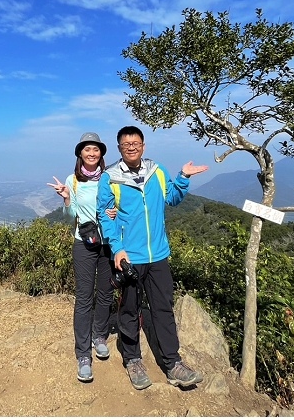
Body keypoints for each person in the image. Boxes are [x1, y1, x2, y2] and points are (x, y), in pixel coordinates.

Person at [96, 125, 209, 390]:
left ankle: (172, 363)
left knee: (163, 308)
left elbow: (172, 199)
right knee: (129, 309)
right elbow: (105, 214)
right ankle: (133, 359)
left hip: (158, 254)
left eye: (136, 143)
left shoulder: (157, 171)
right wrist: (117, 248)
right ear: (120, 148)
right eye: (126, 144)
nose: (131, 147)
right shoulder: (110, 178)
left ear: (143, 145)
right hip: (130, 257)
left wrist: (182, 177)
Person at [47, 132, 117, 383]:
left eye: (96, 149)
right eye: (87, 149)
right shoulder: (72, 180)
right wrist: (66, 198)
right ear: (80, 153)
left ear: (101, 154)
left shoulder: (111, 178)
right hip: (84, 243)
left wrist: (115, 212)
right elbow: (71, 216)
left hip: (109, 242)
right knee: (85, 296)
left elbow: (120, 206)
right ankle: (83, 354)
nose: (91, 153)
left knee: (106, 292)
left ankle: (100, 335)